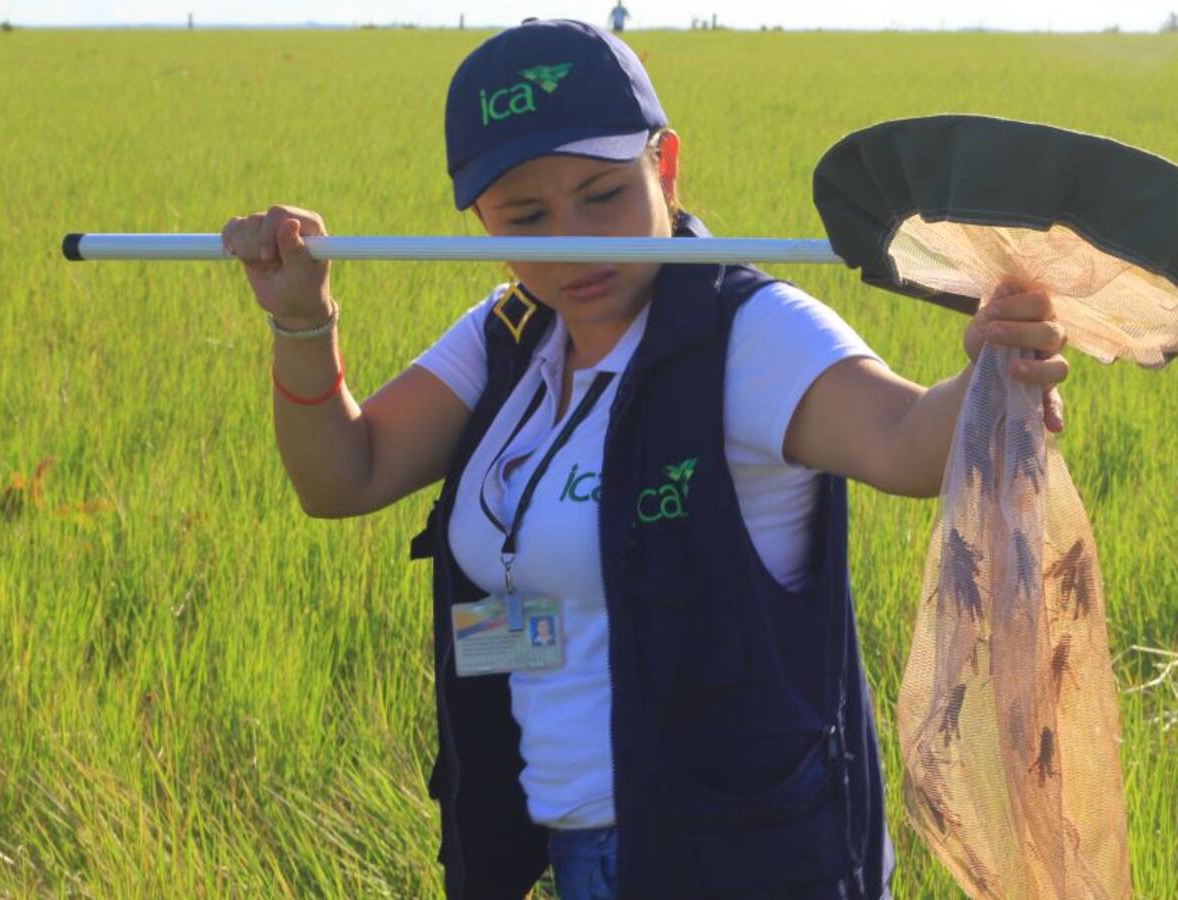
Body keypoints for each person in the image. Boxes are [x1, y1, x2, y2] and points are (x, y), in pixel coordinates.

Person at [221, 18, 1069, 900]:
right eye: (528, 216)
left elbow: (901, 442)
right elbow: (342, 476)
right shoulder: (507, 337)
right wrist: (299, 322)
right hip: (571, 847)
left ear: (664, 168)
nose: (575, 241)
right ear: (480, 218)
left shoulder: (746, 330)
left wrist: (986, 374)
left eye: (603, 195)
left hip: (745, 860)